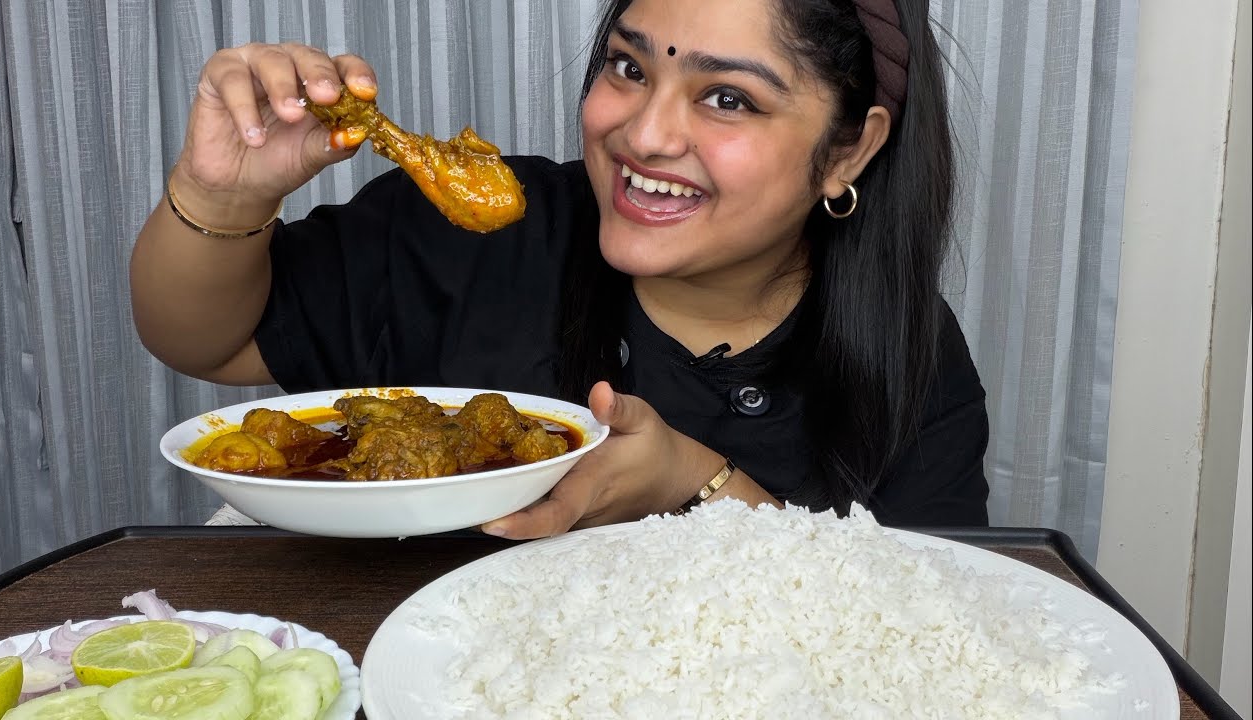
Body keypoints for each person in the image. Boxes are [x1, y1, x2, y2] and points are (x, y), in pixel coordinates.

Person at [131, 0, 990, 540]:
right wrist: (221, 194)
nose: (643, 135)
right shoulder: (471, 232)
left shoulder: (906, 351)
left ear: (849, 151)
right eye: (628, 67)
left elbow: (931, 626)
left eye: (728, 98)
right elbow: (211, 342)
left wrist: (697, 485)